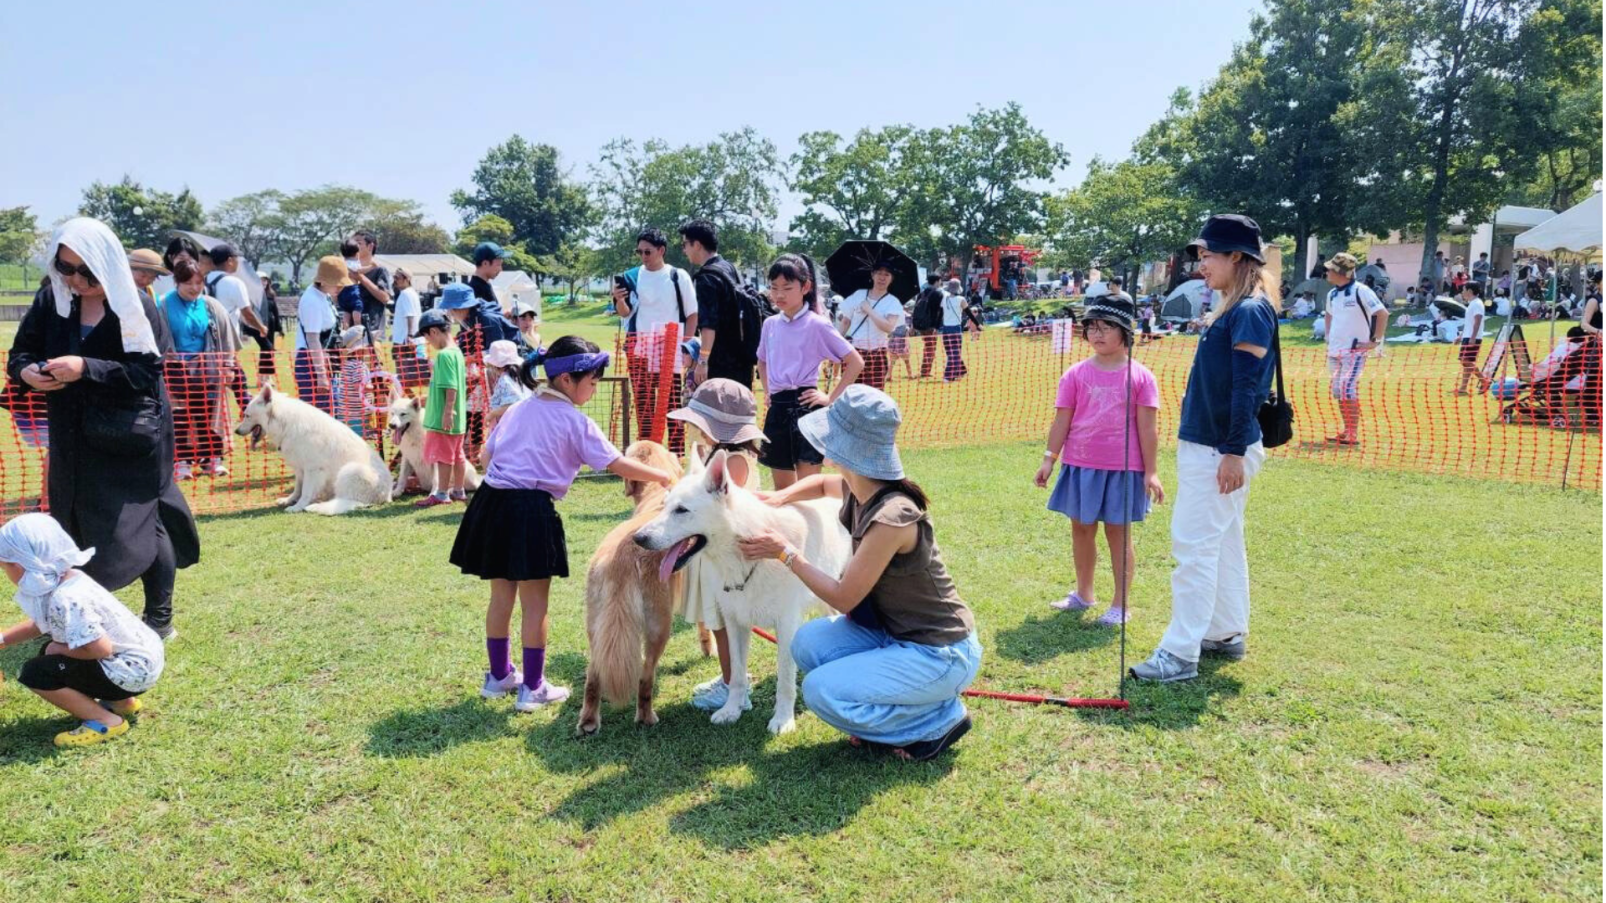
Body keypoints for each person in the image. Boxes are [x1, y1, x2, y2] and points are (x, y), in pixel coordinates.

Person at [739, 386, 980, 761]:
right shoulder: (861, 487)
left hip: (939, 654)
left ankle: (937, 720)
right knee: (807, 643)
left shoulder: (892, 517)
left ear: (843, 449)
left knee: (820, 690)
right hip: (892, 635)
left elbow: (842, 597)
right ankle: (903, 710)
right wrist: (776, 498)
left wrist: (785, 552)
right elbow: (821, 484)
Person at [450, 336, 674, 712]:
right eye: (592, 381)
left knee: (501, 596)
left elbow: (486, 456)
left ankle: (498, 676)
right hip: (531, 510)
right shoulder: (575, 420)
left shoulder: (520, 408)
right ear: (567, 380)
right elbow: (616, 463)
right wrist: (663, 476)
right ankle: (533, 687)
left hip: (490, 503)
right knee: (535, 603)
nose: (594, 388)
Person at [7, 217, 200, 641]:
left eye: (85, 271)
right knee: (72, 519)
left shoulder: (138, 306)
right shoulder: (49, 302)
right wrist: (28, 374)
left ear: (107, 264)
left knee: (146, 522)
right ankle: (77, 615)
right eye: (65, 268)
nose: (75, 279)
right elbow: (19, 354)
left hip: (133, 434)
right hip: (73, 435)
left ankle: (159, 618)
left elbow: (147, 372)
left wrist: (85, 368)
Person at [1131, 214, 1278, 683]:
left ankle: (1179, 653)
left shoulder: (1249, 310)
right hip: (1216, 445)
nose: (1202, 264)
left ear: (1238, 257)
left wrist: (1233, 450)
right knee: (1224, 542)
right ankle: (1224, 632)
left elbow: (1246, 386)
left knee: (1194, 546)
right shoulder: (1237, 307)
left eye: (1209, 254)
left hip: (1219, 449)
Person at [1035, 294, 1163, 626]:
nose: (1097, 333)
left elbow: (1148, 429)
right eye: (1092, 326)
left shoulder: (1142, 376)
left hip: (1124, 469)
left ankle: (1120, 605)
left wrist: (1151, 472)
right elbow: (1062, 420)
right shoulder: (1075, 374)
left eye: (1107, 327)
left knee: (1118, 535)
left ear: (1125, 332)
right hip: (1080, 466)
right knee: (1081, 529)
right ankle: (1084, 594)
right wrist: (1050, 459)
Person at [0, 514, 166, 747]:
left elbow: (101, 649)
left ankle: (106, 720)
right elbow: (41, 623)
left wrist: (58, 648)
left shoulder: (65, 597)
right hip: (143, 661)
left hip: (130, 672)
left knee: (36, 672)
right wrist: (4, 638)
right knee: (51, 652)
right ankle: (122, 703)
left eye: (4, 566)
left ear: (19, 566)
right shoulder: (69, 577)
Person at [666, 378, 767, 712]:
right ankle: (731, 678)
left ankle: (732, 685)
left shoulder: (733, 462)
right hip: (713, 553)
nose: (696, 429)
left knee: (724, 622)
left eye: (700, 423)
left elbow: (723, 509)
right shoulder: (720, 455)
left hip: (728, 558)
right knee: (718, 619)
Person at [756, 252, 866, 492]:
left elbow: (855, 361)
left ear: (805, 287)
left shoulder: (817, 323)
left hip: (807, 408)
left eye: (787, 287)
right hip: (778, 408)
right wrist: (767, 390)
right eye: (774, 288)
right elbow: (762, 361)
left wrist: (829, 398)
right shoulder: (770, 324)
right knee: (782, 492)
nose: (779, 295)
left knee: (808, 490)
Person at [613, 228, 699, 454]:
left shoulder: (677, 276)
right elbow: (624, 313)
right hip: (640, 347)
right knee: (644, 406)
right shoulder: (633, 276)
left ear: (661, 250)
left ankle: (675, 454)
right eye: (639, 252)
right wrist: (619, 299)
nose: (643, 257)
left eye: (648, 252)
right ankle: (647, 453)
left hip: (670, 348)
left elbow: (692, 314)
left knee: (671, 404)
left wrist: (686, 346)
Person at [161, 259, 239, 479]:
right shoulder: (164, 305)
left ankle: (212, 459)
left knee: (208, 416)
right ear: (177, 282)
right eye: (188, 283)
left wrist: (228, 366)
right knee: (180, 417)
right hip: (176, 370)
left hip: (209, 371)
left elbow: (225, 338)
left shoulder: (211, 305)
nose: (194, 288)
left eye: (198, 282)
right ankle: (181, 462)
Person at [1321, 252, 1388, 445]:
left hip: (1354, 351)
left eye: (1330, 269)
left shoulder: (1362, 291)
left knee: (1347, 389)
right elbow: (1329, 315)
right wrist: (1328, 337)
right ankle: (1347, 429)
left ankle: (1353, 433)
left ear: (1341, 272)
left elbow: (1382, 313)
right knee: (1337, 390)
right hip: (1335, 351)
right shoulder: (1332, 294)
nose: (1327, 271)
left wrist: (1375, 340)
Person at [680, 219, 756, 389]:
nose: (684, 250)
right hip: (742, 359)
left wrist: (703, 361)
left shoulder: (706, 277)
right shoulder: (730, 268)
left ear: (697, 245)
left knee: (716, 413)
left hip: (721, 362)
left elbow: (709, 325)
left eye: (685, 244)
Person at [416, 308, 469, 508]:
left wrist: (447, 412)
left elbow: (450, 386)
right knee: (457, 454)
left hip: (445, 418)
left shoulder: (445, 355)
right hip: (458, 419)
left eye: (427, 337)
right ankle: (458, 490)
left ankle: (441, 493)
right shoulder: (456, 352)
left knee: (444, 457)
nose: (429, 342)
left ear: (434, 332)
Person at [203, 244, 263, 417]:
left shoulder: (202, 280)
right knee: (240, 385)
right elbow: (247, 312)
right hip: (226, 345)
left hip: (206, 345)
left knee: (211, 387)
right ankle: (252, 417)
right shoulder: (234, 282)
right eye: (236, 258)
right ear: (229, 260)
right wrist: (261, 327)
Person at [294, 257, 348, 415]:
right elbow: (313, 339)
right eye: (336, 282)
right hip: (312, 364)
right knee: (319, 417)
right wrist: (321, 375)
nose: (340, 286)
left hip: (327, 361)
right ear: (322, 281)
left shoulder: (325, 296)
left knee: (331, 412)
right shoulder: (312, 300)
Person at [839, 262, 905, 390]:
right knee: (849, 392)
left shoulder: (893, 302)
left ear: (891, 279)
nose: (882, 277)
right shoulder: (859, 294)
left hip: (877, 353)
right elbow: (845, 321)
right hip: (854, 351)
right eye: (879, 273)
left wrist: (869, 310)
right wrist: (835, 345)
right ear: (872, 275)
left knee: (875, 394)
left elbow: (889, 327)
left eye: (887, 274)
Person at [481, 339, 532, 445]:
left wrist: (491, 414)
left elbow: (512, 403)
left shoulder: (505, 380)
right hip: (521, 425)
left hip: (508, 427)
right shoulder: (519, 376)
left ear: (495, 365)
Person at [349, 229, 391, 343]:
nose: (353, 246)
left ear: (370, 246)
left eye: (358, 242)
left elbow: (385, 297)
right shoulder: (348, 270)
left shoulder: (379, 270)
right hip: (351, 334)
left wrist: (360, 278)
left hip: (373, 332)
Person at [334, 326, 374, 436]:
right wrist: (376, 388)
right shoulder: (358, 365)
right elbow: (359, 386)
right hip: (356, 414)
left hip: (346, 412)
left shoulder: (347, 364)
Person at [390, 268, 425, 390]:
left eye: (397, 278)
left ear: (407, 279)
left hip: (405, 342)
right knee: (407, 378)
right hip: (409, 339)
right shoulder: (411, 293)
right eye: (394, 277)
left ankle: (411, 401)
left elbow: (410, 315)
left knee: (404, 378)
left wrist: (409, 335)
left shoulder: (406, 294)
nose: (395, 281)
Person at [247, 271, 282, 388]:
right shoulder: (251, 296)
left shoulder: (271, 295)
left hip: (270, 327)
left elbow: (275, 313)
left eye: (265, 280)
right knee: (268, 349)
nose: (263, 282)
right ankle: (265, 378)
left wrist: (279, 328)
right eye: (260, 280)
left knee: (267, 352)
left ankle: (264, 378)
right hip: (258, 327)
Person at [1455, 282, 1489, 396]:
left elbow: (1477, 320)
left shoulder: (1477, 304)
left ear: (1470, 291)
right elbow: (1468, 323)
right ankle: (1463, 388)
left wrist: (1473, 337)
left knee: (1466, 361)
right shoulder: (1472, 304)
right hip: (1467, 336)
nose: (1462, 292)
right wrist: (1461, 336)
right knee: (1466, 362)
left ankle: (1484, 381)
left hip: (1473, 337)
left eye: (1464, 290)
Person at [910, 273, 945, 378]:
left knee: (927, 346)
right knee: (930, 348)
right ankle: (925, 371)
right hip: (930, 325)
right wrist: (936, 327)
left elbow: (915, 309)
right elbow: (938, 312)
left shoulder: (922, 293)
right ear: (937, 281)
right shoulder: (938, 294)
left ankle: (925, 370)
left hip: (920, 324)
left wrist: (913, 325)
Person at [941, 278, 968, 381]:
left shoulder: (944, 299)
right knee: (955, 353)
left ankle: (960, 370)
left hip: (945, 328)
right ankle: (949, 376)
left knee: (951, 353)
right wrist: (977, 325)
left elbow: (940, 313)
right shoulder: (961, 299)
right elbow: (968, 312)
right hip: (955, 329)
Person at [335, 241, 365, 330]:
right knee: (357, 307)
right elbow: (359, 271)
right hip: (352, 290)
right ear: (356, 253)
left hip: (342, 292)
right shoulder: (353, 263)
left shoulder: (342, 263)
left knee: (346, 312)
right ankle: (357, 327)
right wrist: (372, 266)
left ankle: (345, 331)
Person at [469, 242, 507, 308]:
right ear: (485, 263)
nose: (501, 269)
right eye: (498, 265)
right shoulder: (474, 290)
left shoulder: (485, 285)